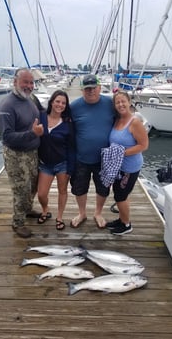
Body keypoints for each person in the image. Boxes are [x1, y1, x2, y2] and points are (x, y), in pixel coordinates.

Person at [0, 68, 44, 238]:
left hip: (32, 153)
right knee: (21, 189)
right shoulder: (7, 105)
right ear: (15, 82)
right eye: (25, 82)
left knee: (33, 185)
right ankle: (17, 223)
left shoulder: (31, 99)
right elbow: (7, 136)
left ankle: (28, 208)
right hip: (16, 155)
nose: (29, 86)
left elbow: (43, 112)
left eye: (31, 82)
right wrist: (32, 134)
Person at [70, 74, 115, 228]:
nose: (91, 91)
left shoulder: (110, 103)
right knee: (79, 188)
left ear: (100, 88)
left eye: (93, 88)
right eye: (87, 88)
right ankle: (82, 213)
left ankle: (98, 213)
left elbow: (124, 119)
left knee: (103, 188)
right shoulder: (74, 107)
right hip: (81, 157)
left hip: (104, 158)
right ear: (82, 90)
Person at [105, 90, 149, 235]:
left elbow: (143, 145)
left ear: (129, 102)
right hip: (118, 166)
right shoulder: (118, 120)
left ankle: (126, 225)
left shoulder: (135, 122)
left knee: (120, 195)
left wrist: (121, 153)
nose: (121, 104)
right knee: (120, 194)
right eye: (117, 102)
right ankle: (122, 218)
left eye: (123, 101)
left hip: (130, 168)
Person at [37, 90, 75, 230]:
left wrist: (70, 168)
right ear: (52, 102)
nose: (60, 105)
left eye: (63, 103)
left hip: (62, 164)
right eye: (57, 101)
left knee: (62, 191)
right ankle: (45, 210)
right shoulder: (41, 117)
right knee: (41, 194)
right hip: (45, 164)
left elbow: (71, 148)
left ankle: (59, 217)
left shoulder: (67, 124)